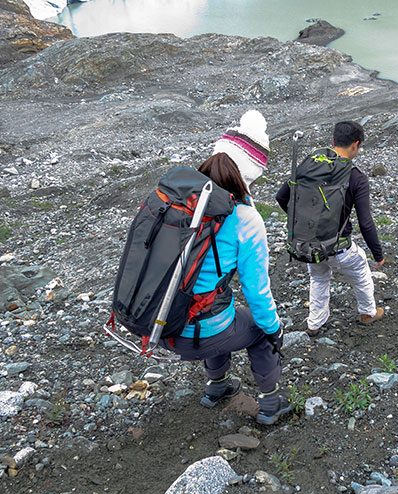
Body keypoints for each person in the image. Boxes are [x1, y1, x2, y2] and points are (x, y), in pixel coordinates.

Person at [161, 110, 290, 425]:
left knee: (220, 304)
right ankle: (272, 404)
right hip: (197, 332)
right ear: (251, 173)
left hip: (159, 322)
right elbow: (257, 292)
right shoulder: (245, 220)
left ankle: (217, 386)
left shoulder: (180, 201)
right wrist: (276, 330)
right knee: (259, 330)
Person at [276, 121, 385, 336]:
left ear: (333, 142)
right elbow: (366, 222)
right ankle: (367, 313)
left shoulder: (309, 167)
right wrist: (378, 254)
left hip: (309, 243)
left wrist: (302, 219)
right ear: (355, 145)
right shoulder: (356, 177)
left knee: (318, 277)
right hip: (339, 246)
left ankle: (314, 324)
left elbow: (281, 197)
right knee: (361, 272)